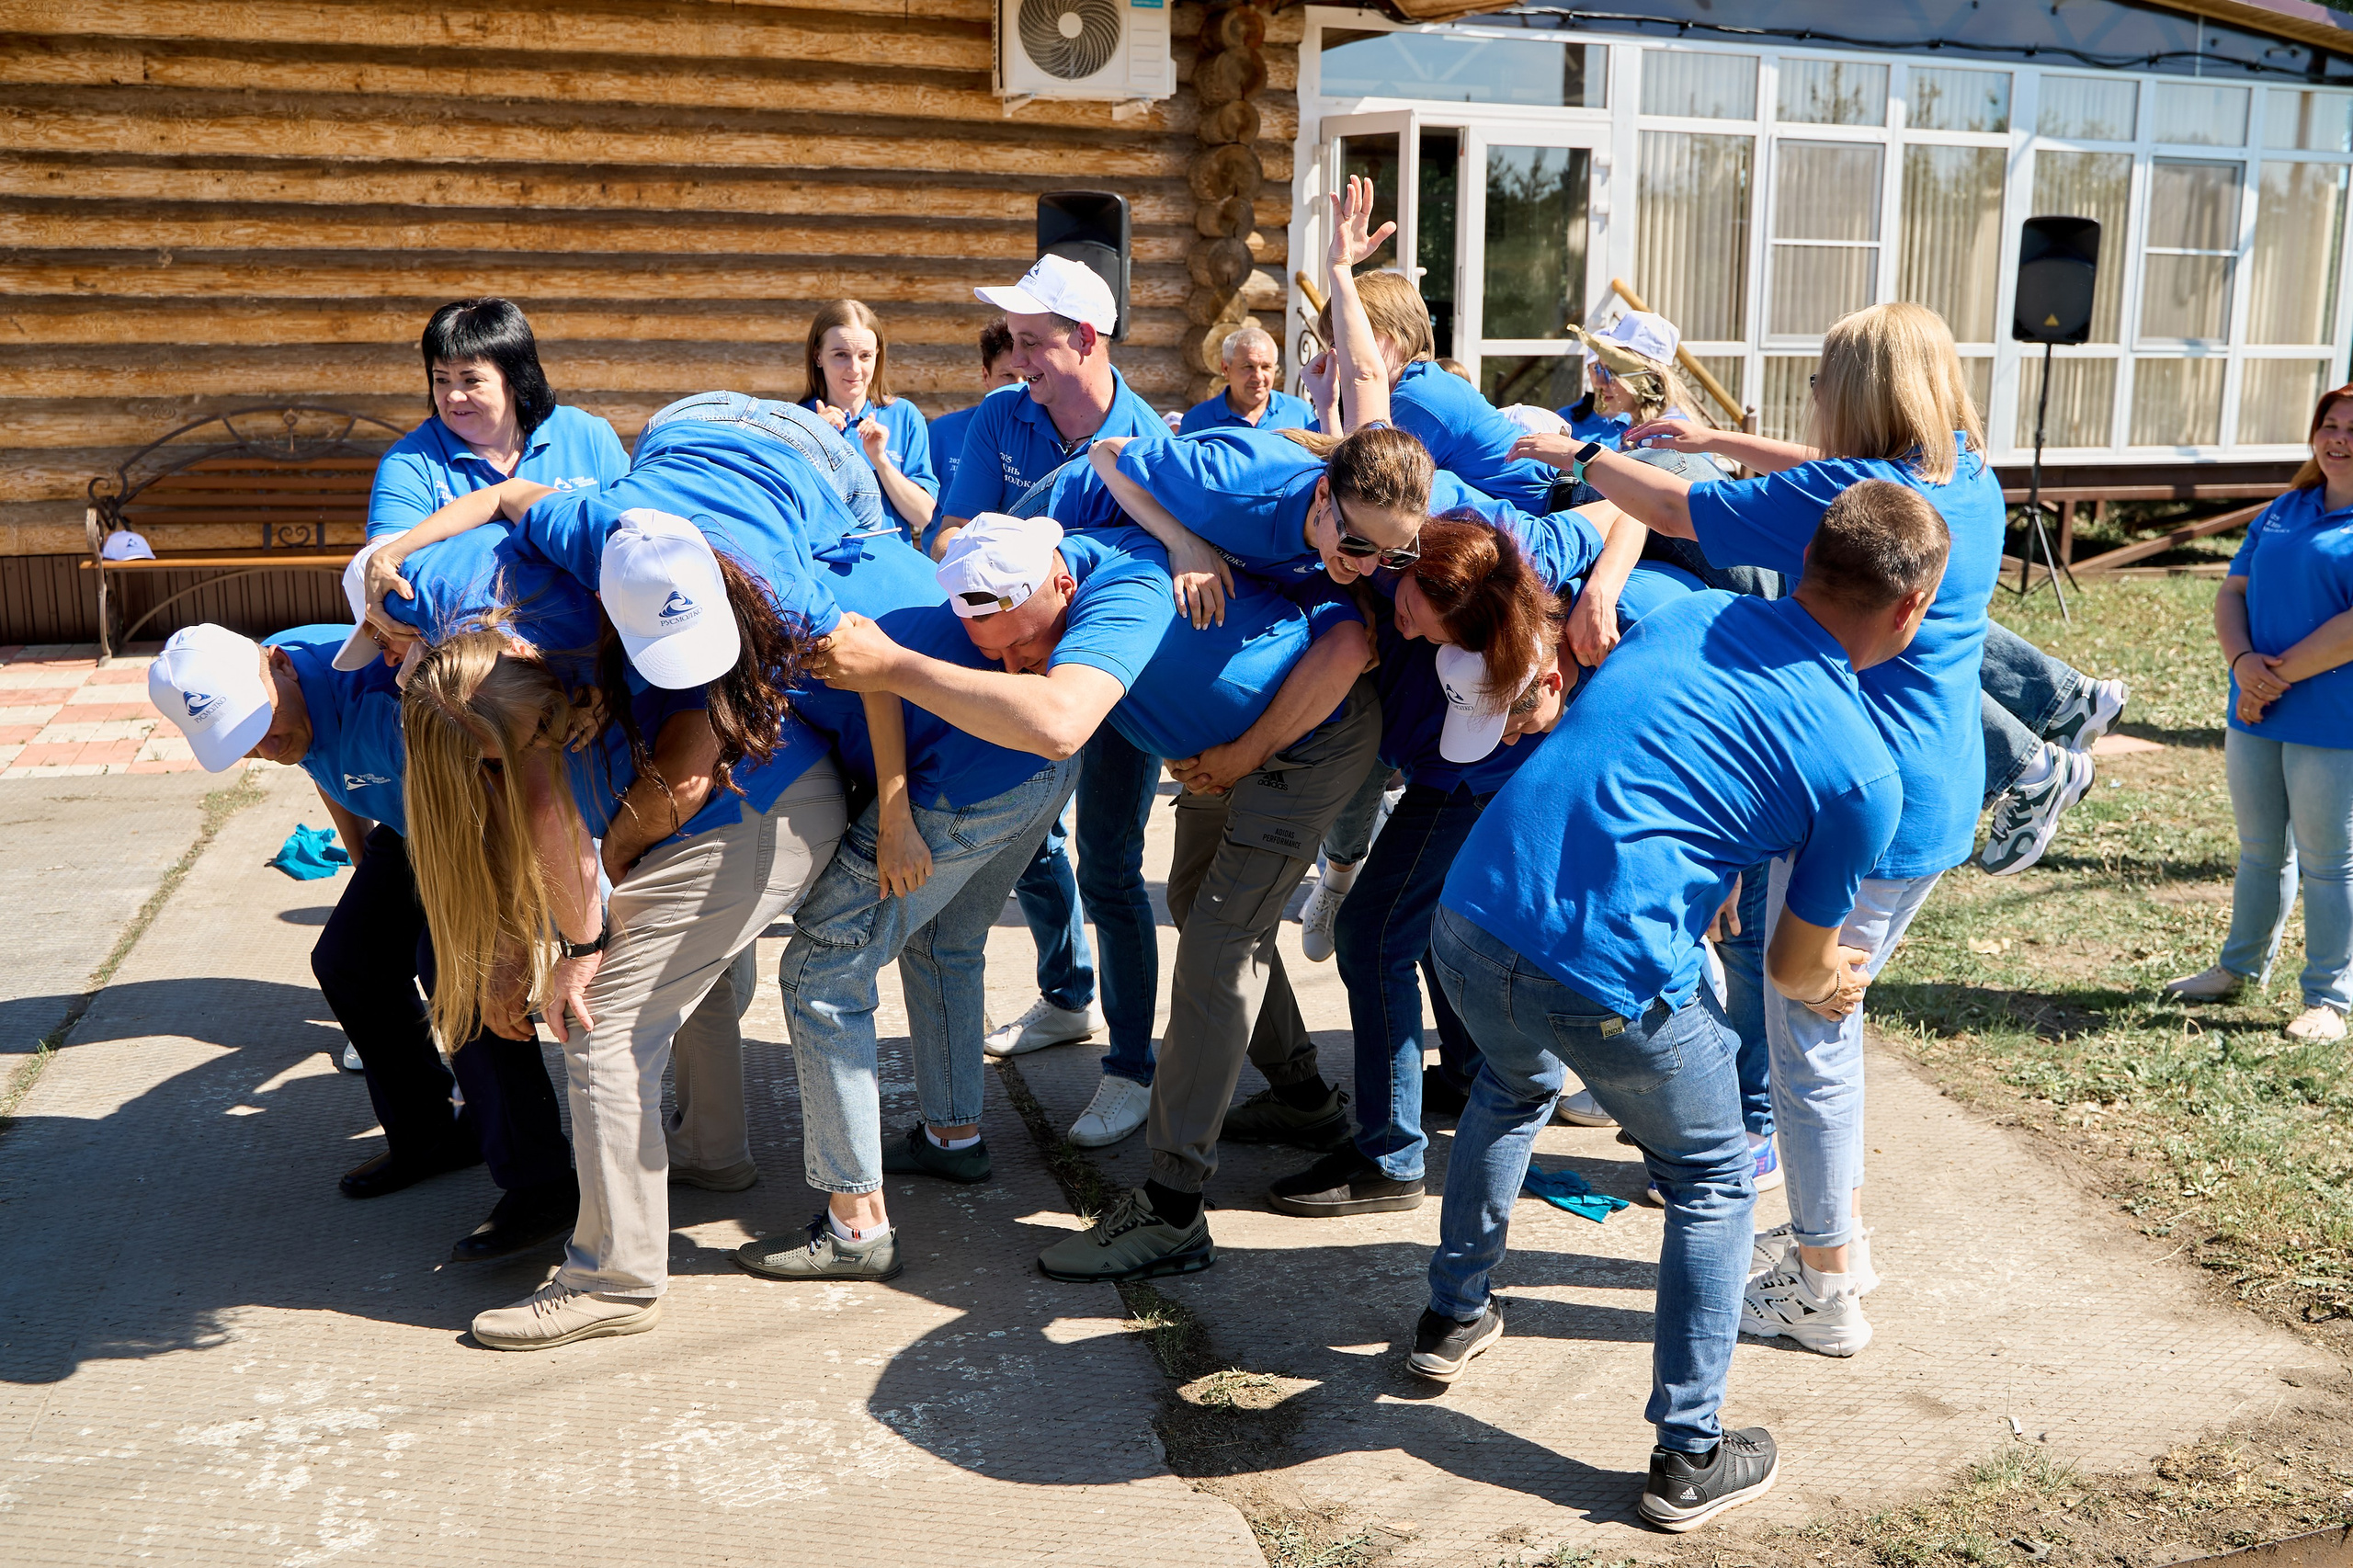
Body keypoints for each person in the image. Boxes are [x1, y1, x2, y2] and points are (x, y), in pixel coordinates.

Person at [1415, 478, 1945, 1532]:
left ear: (1806, 566)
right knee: (1710, 1175)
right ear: (1908, 611)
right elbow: (1794, 971)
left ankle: (1452, 1315)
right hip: (1599, 972)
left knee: (1513, 1089)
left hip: (1470, 913)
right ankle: (1688, 1453)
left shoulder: (1686, 608)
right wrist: (1839, 977)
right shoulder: (1862, 772)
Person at [1528, 301, 2003, 1360]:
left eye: (1824, 380)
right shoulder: (1967, 474)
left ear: (1862, 394)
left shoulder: (1846, 494)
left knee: (1811, 1038)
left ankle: (1826, 1283)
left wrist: (1582, 451)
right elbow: (1819, 471)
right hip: (1935, 794)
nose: (1811, 400)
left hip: (1857, 803)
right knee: (1823, 1020)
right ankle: (1840, 1246)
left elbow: (1678, 511)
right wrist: (1716, 437)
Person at [812, 513, 1381, 1280]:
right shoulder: (1060, 548)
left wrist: (895, 667)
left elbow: (1057, 725)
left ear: (1063, 585)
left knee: (1219, 949)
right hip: (1225, 754)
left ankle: (1173, 1210)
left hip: (1305, 738)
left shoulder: (1129, 589)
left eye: (1022, 646)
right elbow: (1099, 468)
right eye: (999, 653)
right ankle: (1304, 1096)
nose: (1018, 666)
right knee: (1196, 902)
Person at [145, 621, 577, 1261]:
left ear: (280, 664)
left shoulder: (388, 694)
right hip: (413, 826)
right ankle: (431, 1135)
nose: (263, 745)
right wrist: (364, 870)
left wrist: (512, 946)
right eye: (239, 740)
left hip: (486, 822)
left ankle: (544, 1186)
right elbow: (327, 768)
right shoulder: (287, 700)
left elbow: (501, 802)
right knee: (349, 957)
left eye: (260, 724)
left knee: (462, 977)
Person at [732, 528, 1087, 1284]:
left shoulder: (792, 591)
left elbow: (878, 673)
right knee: (943, 941)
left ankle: (855, 1227)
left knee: (820, 969)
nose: (1021, 655)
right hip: (1040, 775)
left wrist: (894, 820)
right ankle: (953, 1137)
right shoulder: (885, 548)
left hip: (962, 784)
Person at [1266, 512, 1593, 1218]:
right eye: (1420, 612)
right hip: (1448, 770)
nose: (1416, 626)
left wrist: (1557, 662)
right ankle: (1470, 1073)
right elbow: (1612, 512)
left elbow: (1623, 519)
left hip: (1469, 781)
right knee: (1430, 923)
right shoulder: (1418, 556)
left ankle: (1389, 1154)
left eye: (1437, 629)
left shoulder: (1469, 597)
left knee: (1373, 935)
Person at [932, 256, 1165, 1061]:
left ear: (1086, 338)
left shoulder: (1148, 438)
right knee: (1028, 843)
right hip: (1011, 668)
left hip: (1107, 685)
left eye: (1033, 342)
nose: (1017, 356)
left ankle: (1133, 1066)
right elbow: (950, 527)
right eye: (1016, 341)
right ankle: (1068, 997)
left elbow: (1162, 563)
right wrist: (986, 568)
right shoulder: (1002, 416)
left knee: (1109, 870)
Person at [2164, 383, 2353, 1043]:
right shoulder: (2285, 508)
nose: (2339, 438)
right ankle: (2239, 970)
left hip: (2333, 720)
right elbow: (2233, 591)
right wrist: (2243, 664)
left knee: (2331, 861)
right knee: (2259, 851)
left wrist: (2267, 679)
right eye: (2330, 424)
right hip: (2255, 708)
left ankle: (2329, 998)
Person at [366, 297, 628, 537]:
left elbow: (635, 530)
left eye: (471, 380)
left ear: (516, 380)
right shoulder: (410, 461)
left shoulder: (587, 435)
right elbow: (391, 566)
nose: (453, 396)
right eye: (442, 380)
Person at [802, 299, 938, 546]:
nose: (855, 368)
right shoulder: (796, 420)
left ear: (878, 356)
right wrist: (812, 439)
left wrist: (881, 460)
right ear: (818, 356)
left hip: (887, 567)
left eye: (865, 356)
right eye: (841, 355)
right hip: (820, 565)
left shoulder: (905, 416)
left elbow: (923, 515)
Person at [924, 318, 1019, 549]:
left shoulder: (1046, 436)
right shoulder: (941, 433)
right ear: (985, 376)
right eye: (1008, 376)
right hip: (945, 564)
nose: (1019, 386)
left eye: (1028, 377)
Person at [1177, 325, 1313, 435]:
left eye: (1266, 367)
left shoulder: (1302, 415)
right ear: (1226, 369)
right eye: (1248, 367)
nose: (1258, 377)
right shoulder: (1197, 422)